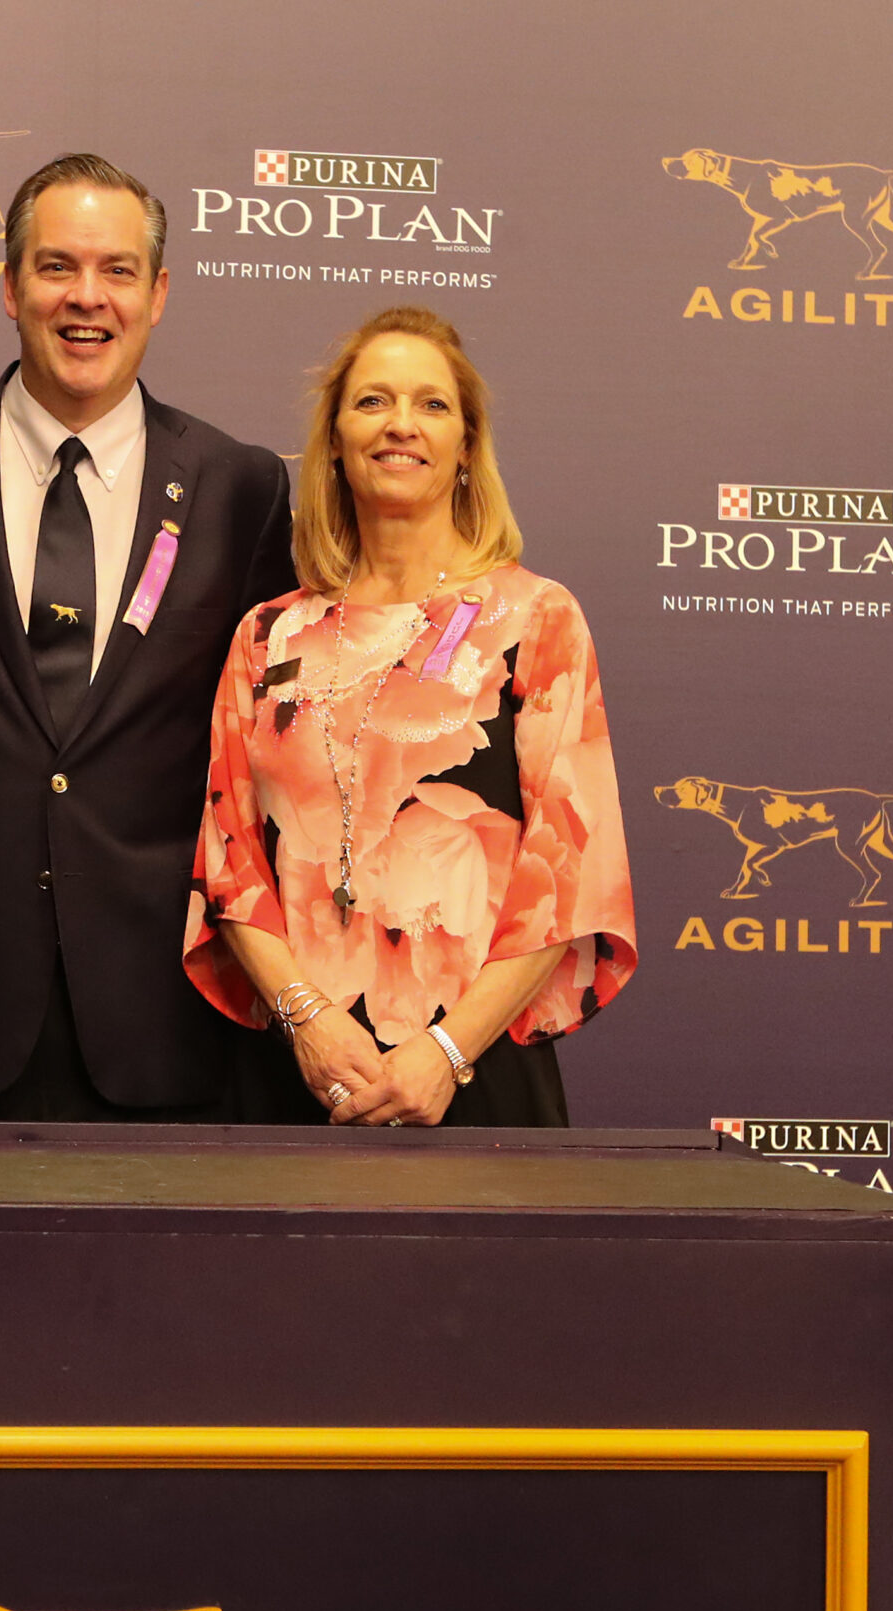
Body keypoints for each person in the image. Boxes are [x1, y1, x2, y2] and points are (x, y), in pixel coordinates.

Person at [0, 155, 297, 1121]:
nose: (86, 299)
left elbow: (263, 758)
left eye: (117, 270)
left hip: (162, 1017)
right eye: (57, 267)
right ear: (9, 284)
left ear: (159, 292)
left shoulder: (241, 487)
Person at [184, 306, 638, 1127]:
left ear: (467, 446)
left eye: (432, 405)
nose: (401, 424)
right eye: (372, 402)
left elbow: (569, 872)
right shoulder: (266, 635)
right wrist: (310, 1022)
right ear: (332, 440)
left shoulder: (536, 618)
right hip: (302, 1071)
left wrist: (448, 1051)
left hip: (477, 1072)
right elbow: (230, 865)